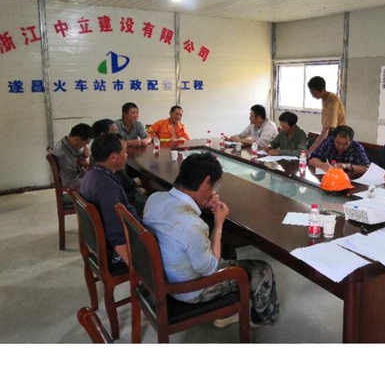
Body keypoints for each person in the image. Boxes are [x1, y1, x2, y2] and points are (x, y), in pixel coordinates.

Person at [142, 152, 280, 327]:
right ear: (206, 181)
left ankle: (233, 307)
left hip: (164, 275)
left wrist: (201, 203)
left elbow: (178, 226)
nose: (214, 190)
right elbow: (211, 269)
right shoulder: (193, 225)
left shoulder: (155, 199)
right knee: (262, 269)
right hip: (189, 290)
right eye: (214, 185)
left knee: (228, 251)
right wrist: (219, 224)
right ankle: (260, 319)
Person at [80, 134, 140, 264]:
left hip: (100, 239)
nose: (127, 155)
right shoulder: (108, 188)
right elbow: (116, 232)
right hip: (115, 250)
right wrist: (133, 263)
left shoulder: (91, 174)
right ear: (113, 157)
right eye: (125, 151)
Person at [91, 118, 144, 194]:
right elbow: (126, 183)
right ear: (103, 135)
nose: (118, 135)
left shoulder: (97, 150)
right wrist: (137, 182)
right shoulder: (107, 156)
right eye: (115, 132)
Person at [306, 76, 346, 154]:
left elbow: (326, 131)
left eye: (314, 93)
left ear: (322, 90)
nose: (313, 95)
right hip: (332, 134)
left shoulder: (332, 102)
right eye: (311, 93)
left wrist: (311, 149)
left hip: (337, 137)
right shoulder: (326, 97)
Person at [52, 123, 93, 189]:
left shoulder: (67, 143)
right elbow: (68, 182)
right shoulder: (64, 155)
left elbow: (75, 160)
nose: (85, 146)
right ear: (77, 139)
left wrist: (83, 156)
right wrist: (90, 182)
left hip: (80, 176)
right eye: (85, 143)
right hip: (75, 184)